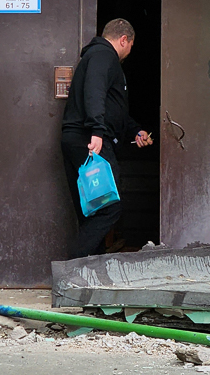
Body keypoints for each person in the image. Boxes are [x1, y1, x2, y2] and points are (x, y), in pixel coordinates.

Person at [60, 18, 153, 258]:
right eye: (131, 46)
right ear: (124, 40)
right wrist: (97, 131)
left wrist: (134, 130)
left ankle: (89, 271)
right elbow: (95, 92)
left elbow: (113, 107)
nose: (130, 52)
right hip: (89, 141)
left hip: (81, 137)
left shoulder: (98, 57)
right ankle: (70, 267)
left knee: (93, 210)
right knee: (109, 208)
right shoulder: (104, 56)